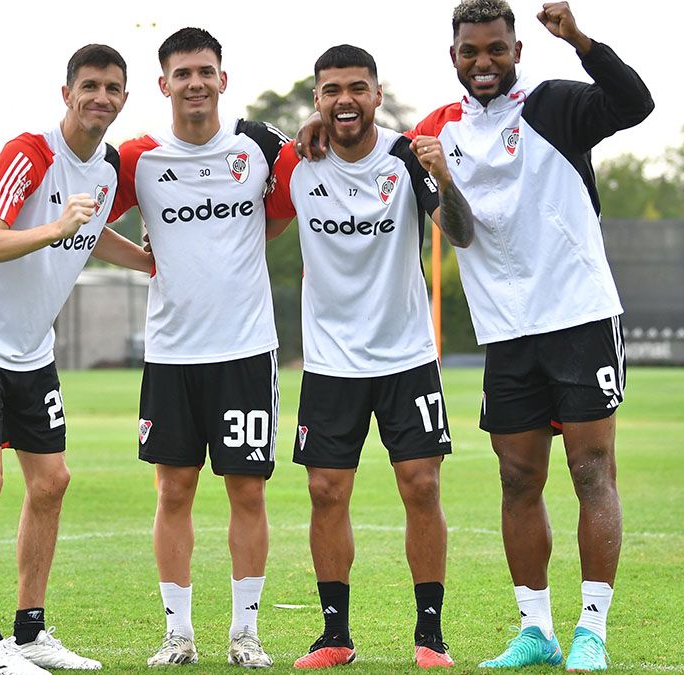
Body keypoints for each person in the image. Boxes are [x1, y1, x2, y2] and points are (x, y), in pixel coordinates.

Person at [299, 1, 653, 670]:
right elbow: (378, 148)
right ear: (452, 56)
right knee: (518, 479)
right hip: (506, 331)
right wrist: (317, 122)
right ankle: (536, 629)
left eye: (495, 49)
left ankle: (592, 631)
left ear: (517, 50)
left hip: (577, 314)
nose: (482, 62)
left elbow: (634, 102)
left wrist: (579, 38)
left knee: (591, 470)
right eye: (470, 51)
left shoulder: (554, 106)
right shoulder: (438, 129)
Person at [265, 45, 474, 670]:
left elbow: (459, 233)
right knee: (326, 492)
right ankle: (334, 635)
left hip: (406, 355)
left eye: (357, 88)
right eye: (331, 90)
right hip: (330, 364)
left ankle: (429, 635)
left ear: (377, 95)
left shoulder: (409, 158)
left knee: (422, 485)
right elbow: (238, 203)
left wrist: (446, 176)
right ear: (317, 100)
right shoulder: (296, 163)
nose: (345, 100)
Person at [0, 44, 152, 675]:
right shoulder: (30, 153)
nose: (100, 97)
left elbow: (89, 234)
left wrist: (147, 261)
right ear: (67, 93)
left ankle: (30, 631)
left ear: (123, 98)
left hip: (34, 351)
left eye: (112, 88)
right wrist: (56, 229)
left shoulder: (109, 167)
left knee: (53, 482)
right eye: (89, 85)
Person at [107, 26, 290, 669]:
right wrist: (141, 260)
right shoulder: (137, 157)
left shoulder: (261, 146)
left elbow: (293, 202)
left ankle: (245, 634)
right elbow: (84, 217)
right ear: (163, 85)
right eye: (181, 73)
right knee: (174, 491)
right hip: (171, 354)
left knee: (247, 492)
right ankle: (178, 635)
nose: (194, 83)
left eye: (204, 71)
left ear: (222, 78)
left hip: (244, 350)